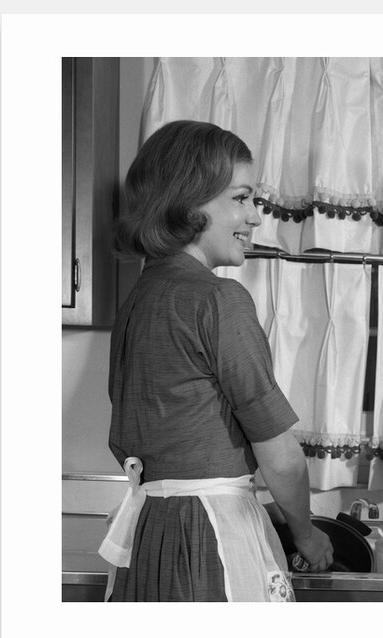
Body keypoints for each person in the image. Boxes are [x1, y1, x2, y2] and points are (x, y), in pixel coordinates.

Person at [101, 119, 333, 602]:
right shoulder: (218, 299)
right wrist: (306, 534)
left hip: (149, 534)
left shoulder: (138, 301)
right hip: (210, 536)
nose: (254, 217)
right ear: (189, 203)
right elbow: (281, 457)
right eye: (241, 198)